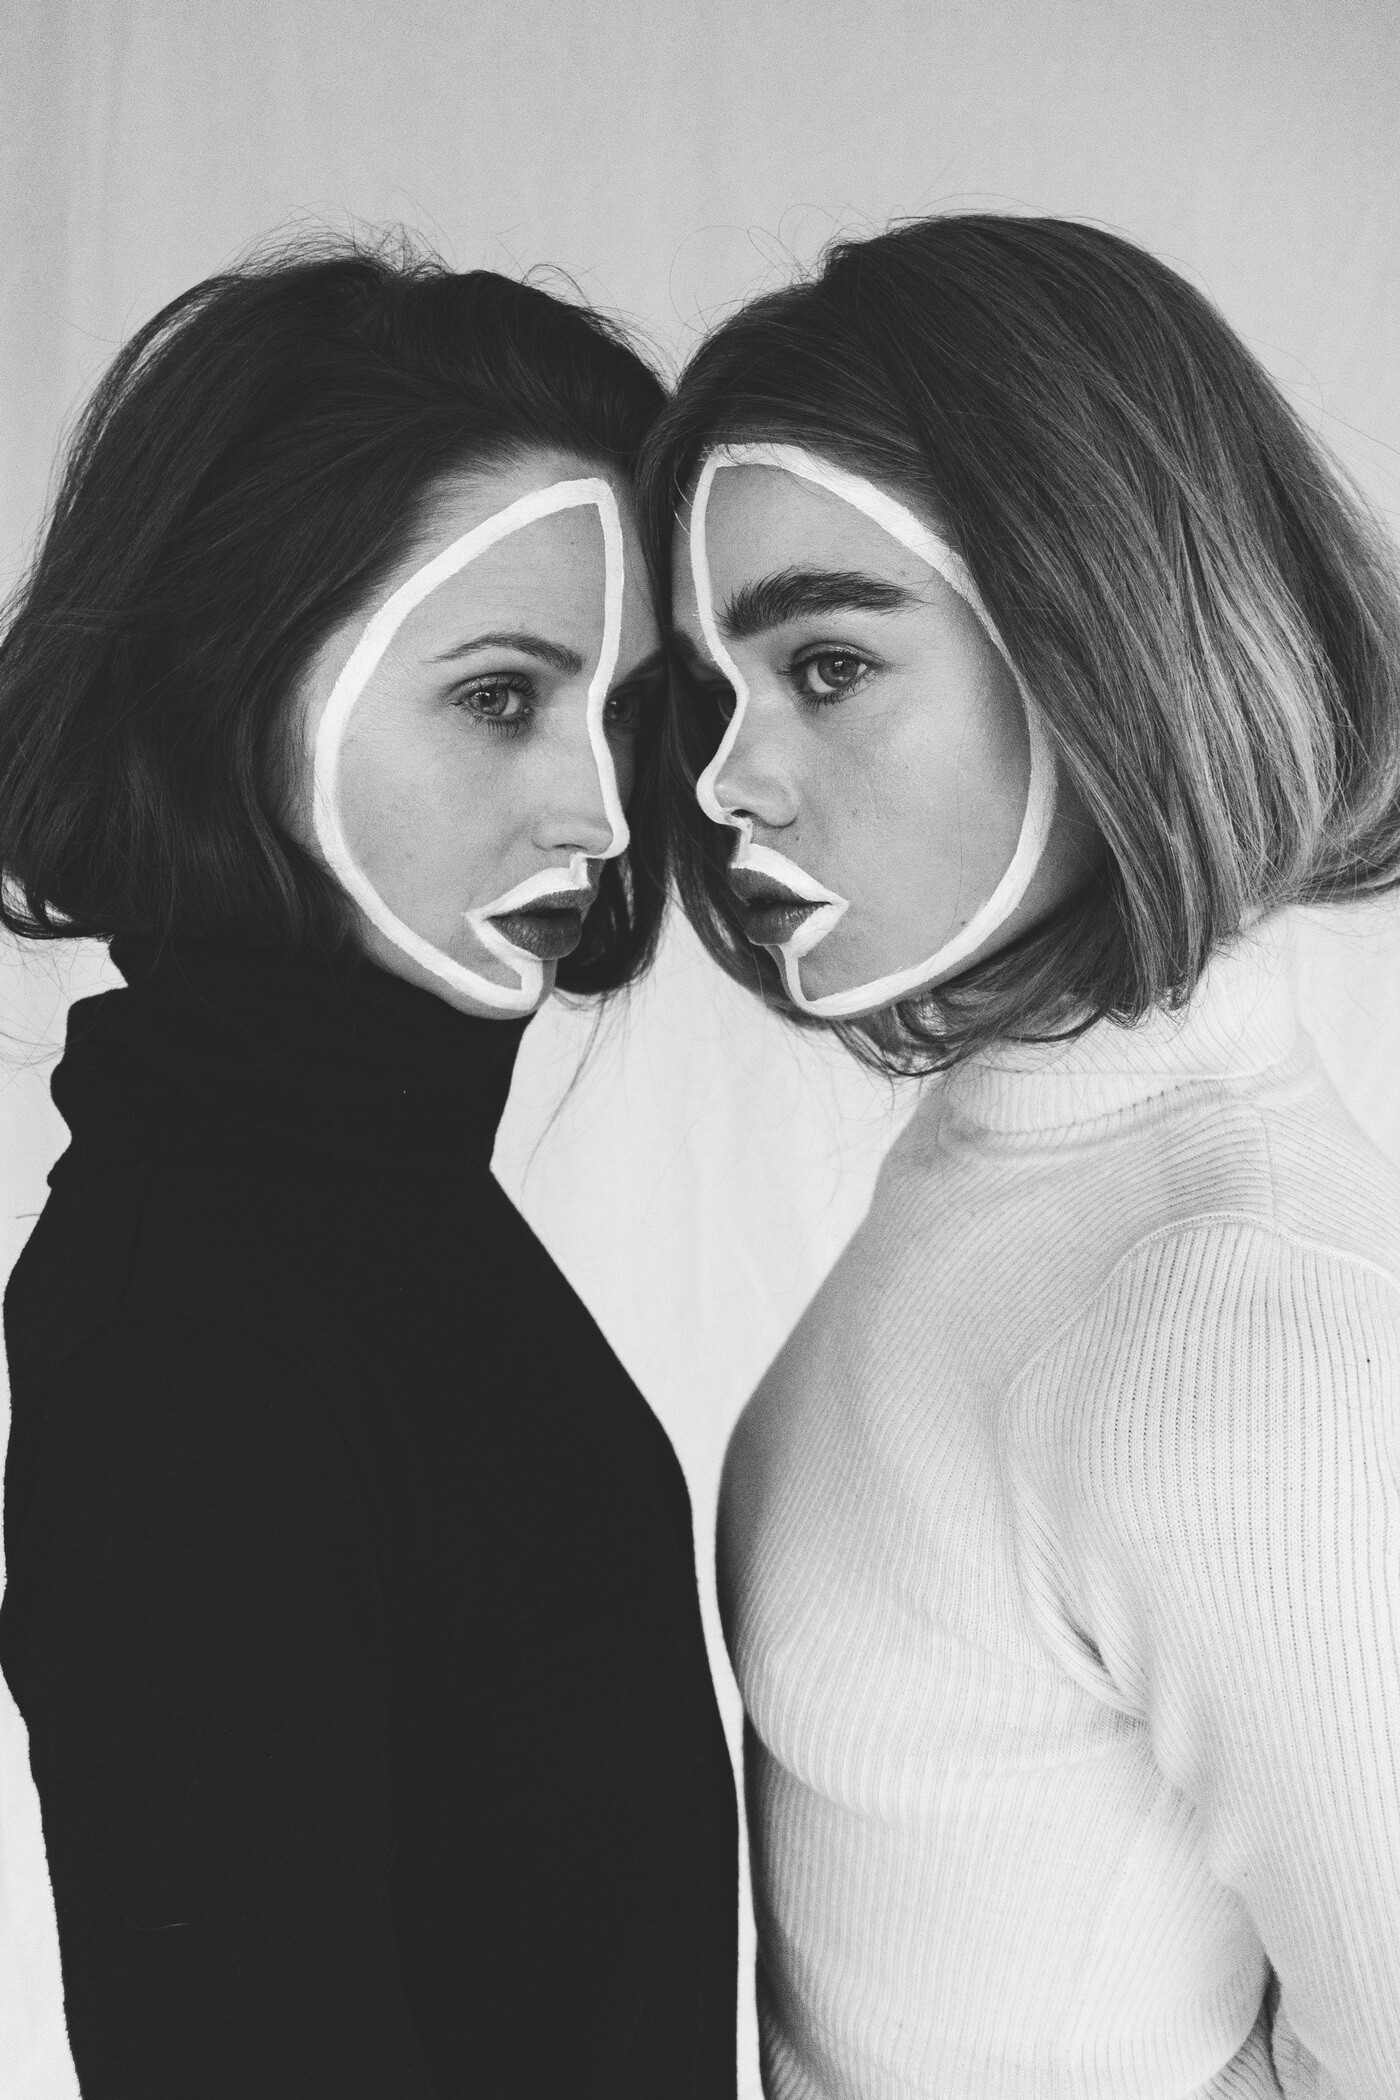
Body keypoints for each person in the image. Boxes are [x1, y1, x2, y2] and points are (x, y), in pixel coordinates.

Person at [646, 214, 1400, 2099]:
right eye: (715, 690)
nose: (724, 778)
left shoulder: (1240, 1330)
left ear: (1106, 637)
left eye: (828, 663)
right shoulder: (1019, 1160)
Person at [0, 241, 737, 2098]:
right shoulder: (205, 1307)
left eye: (626, 711)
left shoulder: (364, 1210)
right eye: (498, 697)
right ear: (232, 685)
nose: (601, 808)